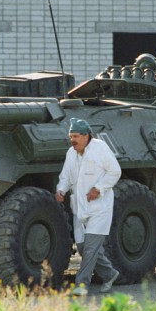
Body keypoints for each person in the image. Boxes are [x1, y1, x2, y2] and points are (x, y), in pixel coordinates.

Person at [56, 117, 122, 296]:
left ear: (86, 136)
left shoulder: (100, 148)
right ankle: (110, 274)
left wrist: (98, 189)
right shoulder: (71, 153)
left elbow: (115, 171)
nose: (73, 140)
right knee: (85, 248)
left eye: (76, 136)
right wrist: (61, 190)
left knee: (91, 248)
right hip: (79, 208)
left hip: (100, 208)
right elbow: (66, 176)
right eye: (71, 136)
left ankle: (81, 285)